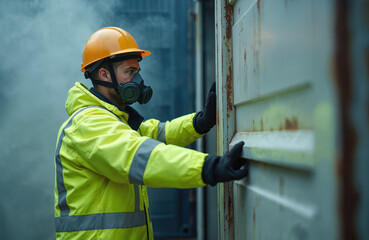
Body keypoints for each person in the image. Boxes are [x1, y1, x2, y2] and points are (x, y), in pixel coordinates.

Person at [54, 26, 248, 239]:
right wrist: (210, 167)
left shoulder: (117, 120)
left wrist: (200, 122)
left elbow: (159, 133)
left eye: (137, 72)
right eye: (130, 72)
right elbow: (139, 155)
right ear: (104, 74)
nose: (138, 81)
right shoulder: (89, 124)